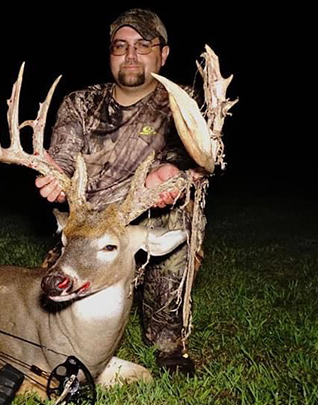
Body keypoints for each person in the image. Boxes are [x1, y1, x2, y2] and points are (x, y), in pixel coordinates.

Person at [35, 8, 205, 375]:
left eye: (144, 45)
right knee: (49, 296)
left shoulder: (183, 101)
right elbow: (63, 159)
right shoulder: (81, 103)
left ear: (163, 54)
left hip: (144, 228)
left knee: (179, 213)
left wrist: (171, 175)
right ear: (110, 53)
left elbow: (198, 159)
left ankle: (167, 339)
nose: (131, 55)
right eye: (120, 46)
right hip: (91, 234)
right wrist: (55, 175)